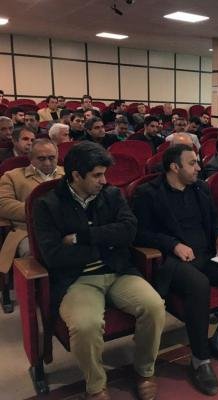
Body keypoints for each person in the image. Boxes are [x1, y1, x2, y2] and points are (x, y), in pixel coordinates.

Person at [32, 142, 165, 400]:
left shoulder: (112, 195)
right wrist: (107, 243)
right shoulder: (47, 204)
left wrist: (81, 237)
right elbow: (54, 256)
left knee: (154, 306)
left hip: (118, 271)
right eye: (97, 175)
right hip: (77, 279)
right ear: (76, 175)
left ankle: (144, 371)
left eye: (104, 174)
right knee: (85, 325)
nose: (104, 180)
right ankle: (95, 386)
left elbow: (129, 231)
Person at [132, 144, 218, 396]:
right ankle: (200, 359)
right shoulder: (148, 193)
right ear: (174, 167)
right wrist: (173, 244)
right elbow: (139, 233)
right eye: (192, 163)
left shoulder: (201, 188)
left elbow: (215, 220)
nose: (198, 168)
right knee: (199, 284)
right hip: (174, 261)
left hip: (207, 254)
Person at [0, 139, 64, 278]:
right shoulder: (12, 176)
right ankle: (40, 288)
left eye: (51, 158)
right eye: (41, 158)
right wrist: (40, 213)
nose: (47, 163)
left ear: (57, 156)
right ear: (31, 158)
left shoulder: (68, 175)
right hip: (28, 231)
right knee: (34, 252)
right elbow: (3, 204)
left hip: (66, 227)